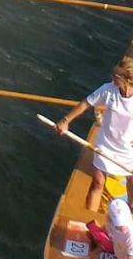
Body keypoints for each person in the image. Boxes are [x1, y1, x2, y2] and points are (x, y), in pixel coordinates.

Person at [55, 56, 133, 214]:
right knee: (97, 183)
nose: (112, 77)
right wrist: (66, 120)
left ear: (127, 79)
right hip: (106, 144)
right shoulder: (108, 89)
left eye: (116, 75)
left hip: (128, 148)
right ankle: (88, 219)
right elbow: (86, 103)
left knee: (131, 184)